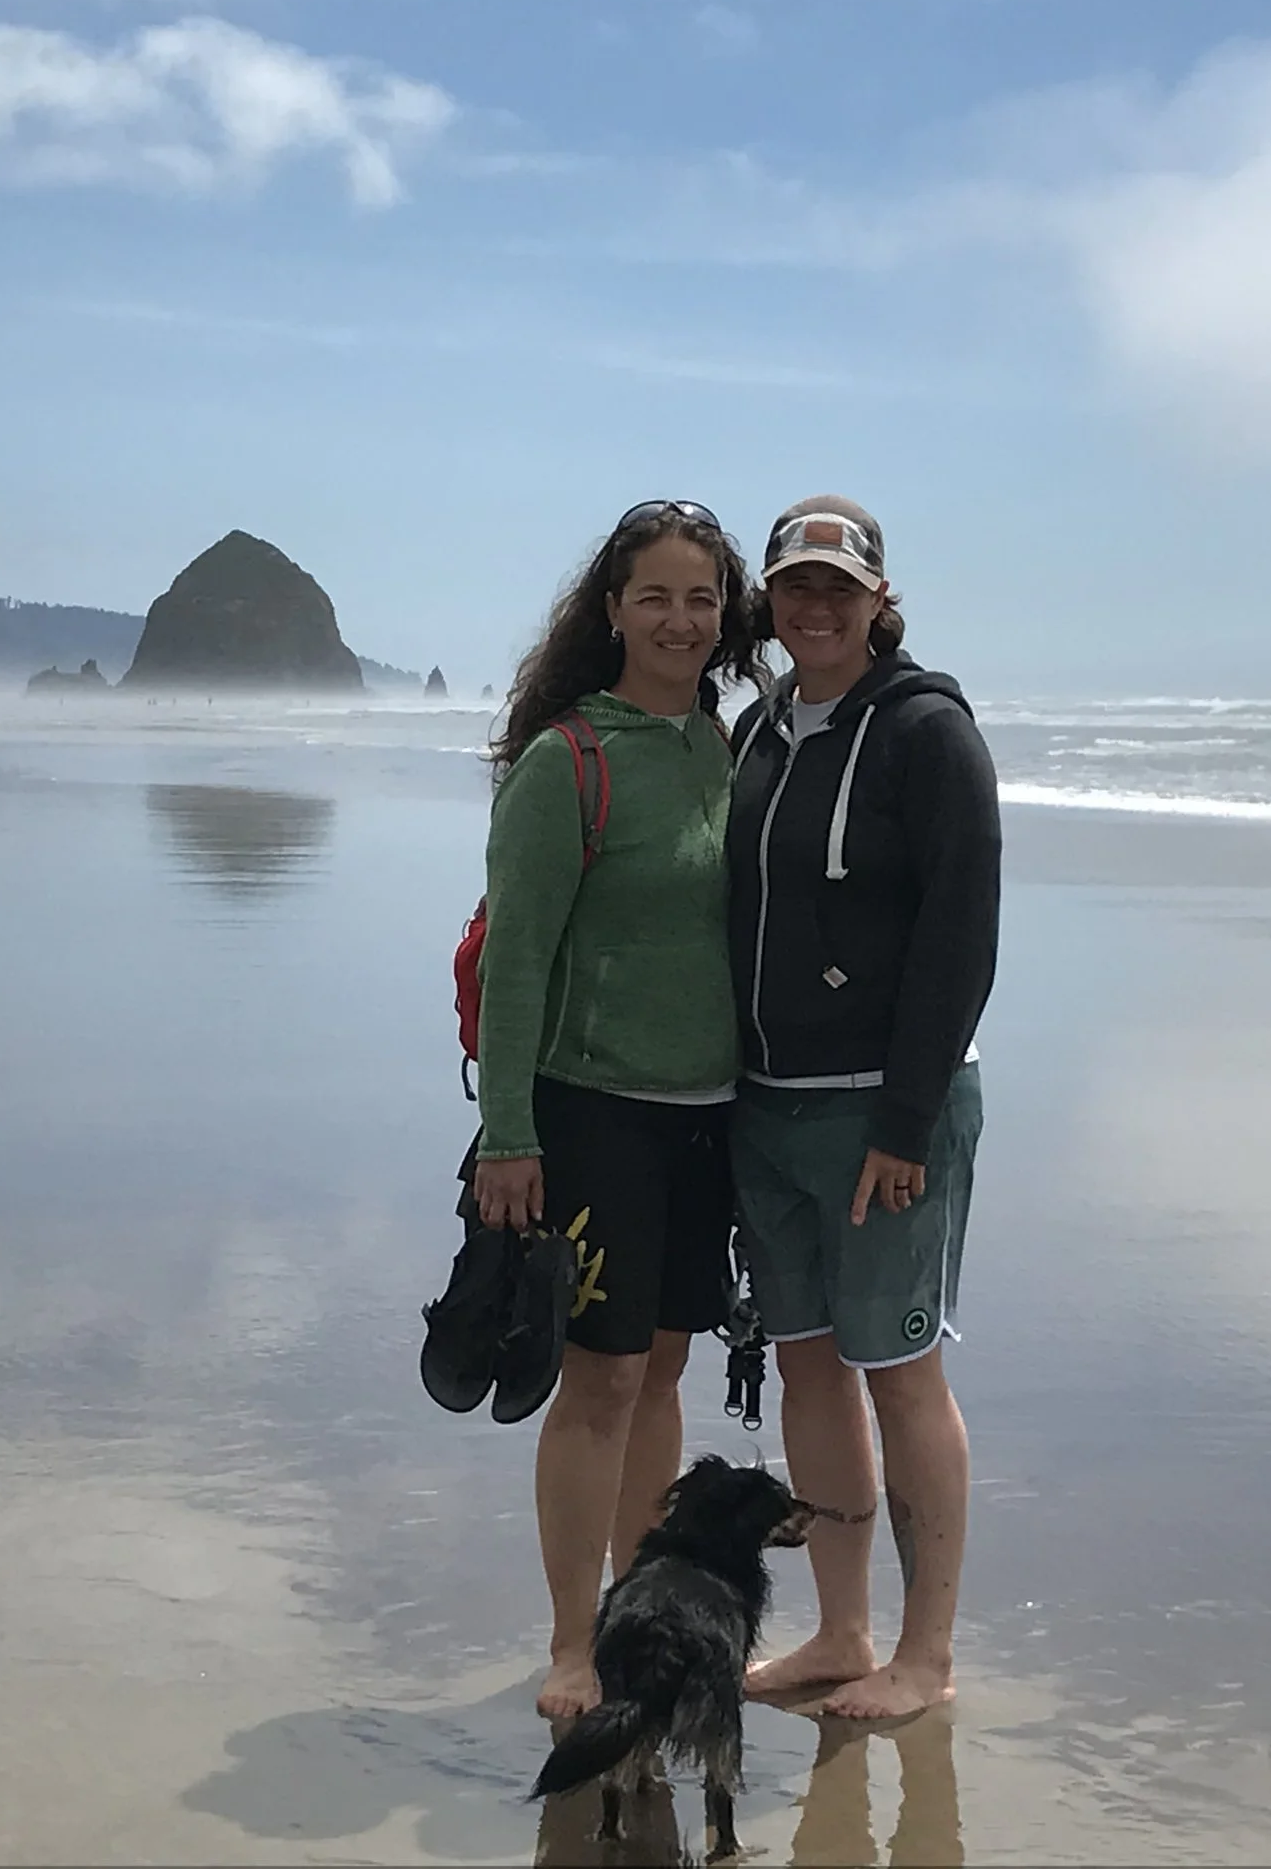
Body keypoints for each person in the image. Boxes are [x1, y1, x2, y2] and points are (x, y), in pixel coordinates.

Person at [468, 499, 766, 1720]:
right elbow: (516, 960)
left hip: (709, 1116)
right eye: (655, 596)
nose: (680, 620)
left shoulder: (725, 746)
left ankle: (649, 1618)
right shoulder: (566, 761)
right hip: (592, 1113)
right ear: (610, 611)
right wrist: (509, 1134)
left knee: (661, 1374)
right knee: (596, 1383)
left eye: (702, 599)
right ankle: (570, 1645)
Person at [725, 495, 1000, 1720]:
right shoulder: (759, 730)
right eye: (797, 585)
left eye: (840, 586)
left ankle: (924, 1658)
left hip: (885, 1116)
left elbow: (960, 936)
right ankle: (841, 1633)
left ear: (880, 600)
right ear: (770, 602)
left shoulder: (927, 733)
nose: (817, 606)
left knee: (901, 1373)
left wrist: (904, 1120)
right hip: (766, 1106)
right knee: (808, 1373)